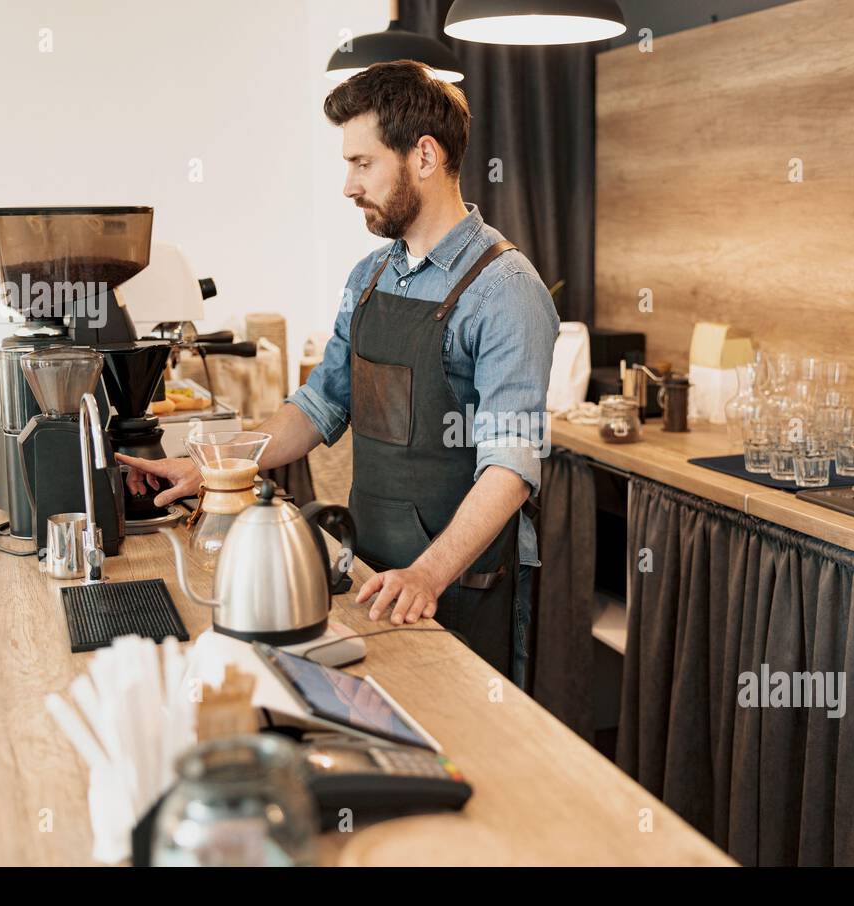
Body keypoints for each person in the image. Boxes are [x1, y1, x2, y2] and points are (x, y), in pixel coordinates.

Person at [119, 60, 559, 687]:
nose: (348, 186)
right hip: (367, 570)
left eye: (362, 163)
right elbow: (320, 404)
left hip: (455, 586)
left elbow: (512, 467)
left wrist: (427, 576)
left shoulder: (505, 290)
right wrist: (213, 465)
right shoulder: (371, 277)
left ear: (425, 156)